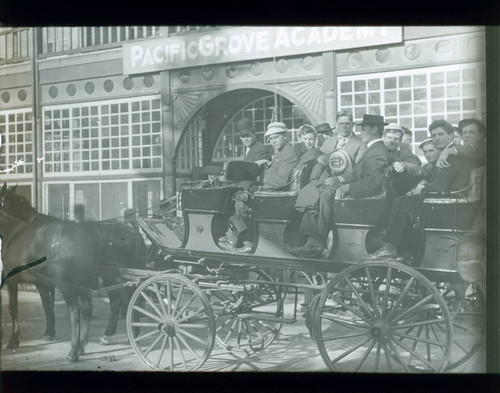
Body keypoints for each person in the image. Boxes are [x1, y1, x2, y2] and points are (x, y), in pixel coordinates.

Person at [364, 119, 480, 260]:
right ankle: (407, 253)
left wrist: (422, 187)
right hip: (452, 201)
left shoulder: (451, 155)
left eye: (440, 134)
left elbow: (439, 187)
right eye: (434, 136)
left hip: (448, 204)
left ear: (451, 135)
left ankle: (390, 247)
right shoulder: (451, 153)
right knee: (408, 205)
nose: (437, 138)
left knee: (401, 203)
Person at [292, 114, 389, 257]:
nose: (361, 132)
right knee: (313, 191)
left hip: (358, 190)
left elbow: (373, 182)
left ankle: (317, 239)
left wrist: (346, 186)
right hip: (341, 180)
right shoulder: (373, 148)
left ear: (374, 130)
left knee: (325, 193)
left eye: (363, 129)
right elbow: (359, 171)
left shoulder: (376, 150)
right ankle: (312, 239)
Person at [257, 121, 299, 191]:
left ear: (285, 136)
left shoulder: (288, 153)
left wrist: (261, 187)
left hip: (277, 193)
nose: (273, 141)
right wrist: (267, 162)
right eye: (271, 138)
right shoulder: (281, 151)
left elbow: (279, 182)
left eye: (276, 137)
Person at [383, 123, 422, 197]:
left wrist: (405, 165)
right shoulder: (375, 152)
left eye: (396, 139)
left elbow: (419, 170)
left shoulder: (404, 154)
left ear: (400, 141)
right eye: (389, 137)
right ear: (383, 137)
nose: (392, 141)